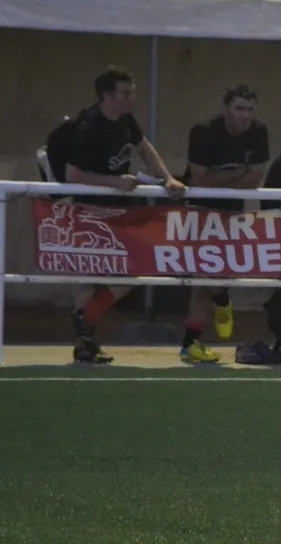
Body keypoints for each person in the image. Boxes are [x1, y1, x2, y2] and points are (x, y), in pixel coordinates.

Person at [64, 65, 186, 364]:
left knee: (132, 272)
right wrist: (114, 182)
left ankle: (85, 318)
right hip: (88, 211)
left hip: (118, 211)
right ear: (107, 96)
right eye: (126, 93)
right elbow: (72, 175)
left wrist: (168, 178)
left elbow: (144, 148)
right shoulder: (88, 127)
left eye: (133, 92)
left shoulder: (126, 120)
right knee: (88, 278)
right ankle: (85, 345)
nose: (132, 98)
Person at [179, 85, 271, 364]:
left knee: (221, 274)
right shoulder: (203, 131)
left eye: (249, 110)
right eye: (239, 109)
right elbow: (200, 180)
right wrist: (239, 174)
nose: (245, 116)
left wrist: (221, 178)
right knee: (204, 275)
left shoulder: (259, 132)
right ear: (226, 109)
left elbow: (256, 179)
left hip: (233, 213)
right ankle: (191, 342)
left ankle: (220, 298)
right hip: (200, 210)